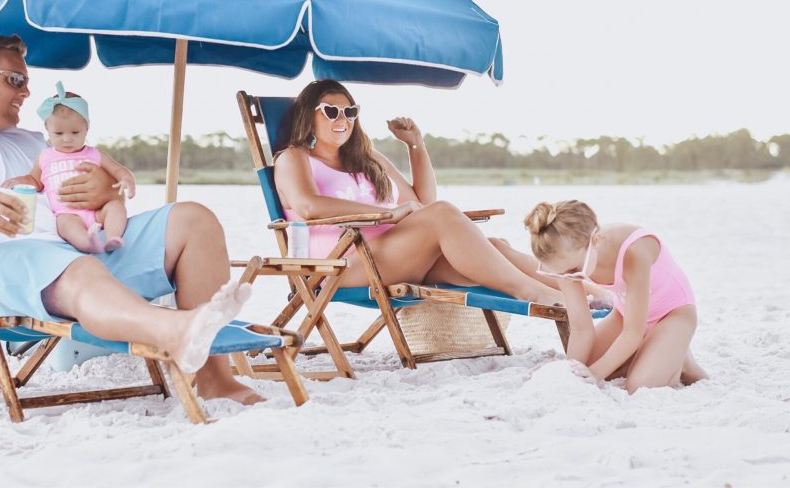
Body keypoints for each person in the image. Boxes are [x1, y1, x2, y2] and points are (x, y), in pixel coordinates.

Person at [0, 34, 261, 404]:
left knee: (193, 219)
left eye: (27, 82)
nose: (27, 92)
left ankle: (216, 380)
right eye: (15, 80)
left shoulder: (35, 143)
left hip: (78, 247)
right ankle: (178, 331)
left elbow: (97, 196)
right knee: (72, 268)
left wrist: (105, 193)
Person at [273, 79, 562, 306]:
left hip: (395, 256)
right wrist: (388, 214)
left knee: (495, 247)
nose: (343, 119)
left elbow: (421, 205)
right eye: (331, 111)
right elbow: (308, 206)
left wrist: (416, 146)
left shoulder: (367, 157)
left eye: (350, 112)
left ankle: (578, 289)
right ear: (308, 116)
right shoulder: (294, 157)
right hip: (341, 266)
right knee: (445, 214)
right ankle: (531, 292)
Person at [524, 200, 708, 392]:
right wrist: (570, 373)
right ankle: (656, 350)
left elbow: (633, 332)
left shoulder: (634, 250)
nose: (570, 276)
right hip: (626, 314)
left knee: (639, 386)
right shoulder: (564, 261)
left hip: (673, 314)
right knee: (586, 364)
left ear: (595, 240)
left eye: (574, 270)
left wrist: (595, 374)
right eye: (562, 273)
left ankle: (681, 360)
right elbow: (581, 328)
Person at [2, 82, 135, 254]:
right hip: (67, 212)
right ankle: (87, 244)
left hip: (98, 211)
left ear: (86, 128)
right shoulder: (45, 156)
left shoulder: (95, 154)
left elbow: (118, 170)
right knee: (65, 225)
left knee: (116, 207)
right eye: (59, 134)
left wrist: (127, 179)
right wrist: (19, 181)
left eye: (75, 133)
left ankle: (112, 237)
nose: (67, 139)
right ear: (47, 129)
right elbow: (35, 180)